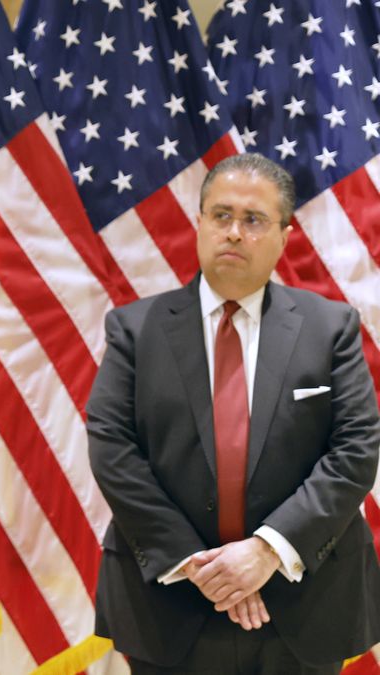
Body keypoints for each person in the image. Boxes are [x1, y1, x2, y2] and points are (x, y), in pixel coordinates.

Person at [87, 152, 380, 673]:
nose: (234, 232)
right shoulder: (133, 329)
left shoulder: (330, 328)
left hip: (304, 603)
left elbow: (355, 451)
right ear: (199, 223)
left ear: (284, 236)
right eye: (221, 215)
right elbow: (113, 450)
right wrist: (202, 567)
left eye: (254, 219)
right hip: (170, 604)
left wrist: (266, 551)